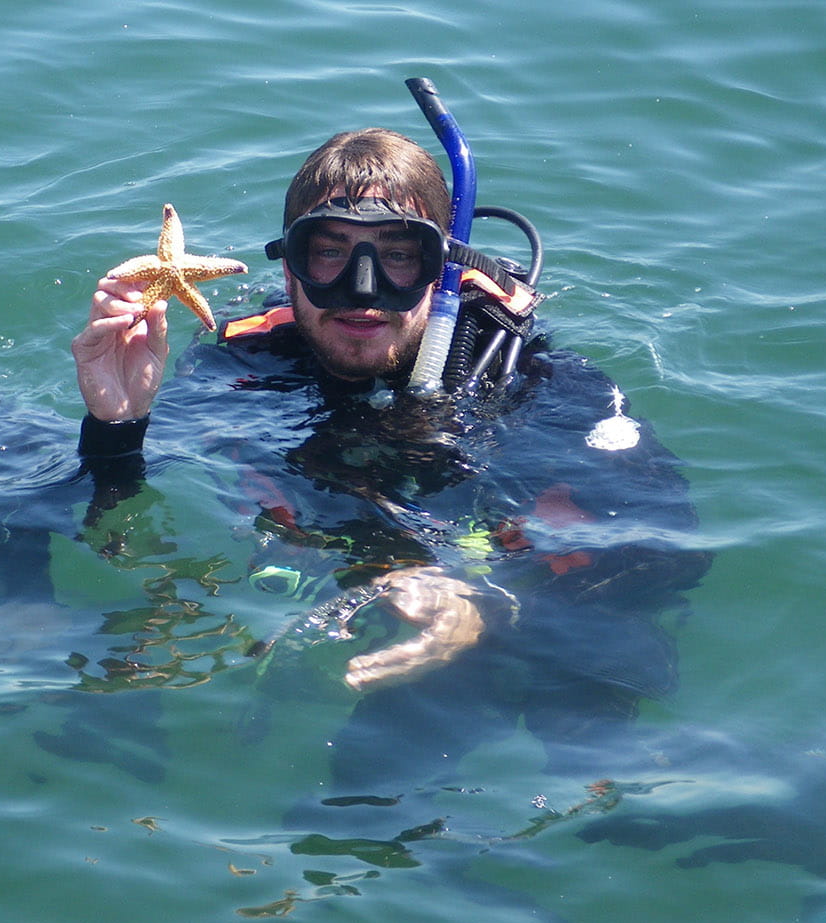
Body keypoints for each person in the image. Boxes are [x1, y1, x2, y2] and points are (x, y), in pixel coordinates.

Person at [70, 126, 712, 793]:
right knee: (354, 804)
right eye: (329, 253)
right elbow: (112, 528)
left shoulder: (533, 384)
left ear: (445, 270)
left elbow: (671, 546)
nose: (363, 290)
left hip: (526, 614)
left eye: (400, 255)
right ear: (290, 268)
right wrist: (118, 423)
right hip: (347, 595)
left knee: (584, 743)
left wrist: (489, 606)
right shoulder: (244, 366)